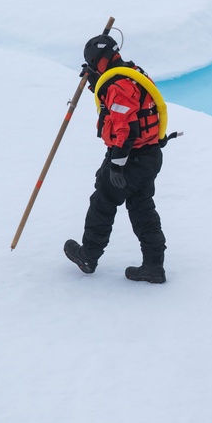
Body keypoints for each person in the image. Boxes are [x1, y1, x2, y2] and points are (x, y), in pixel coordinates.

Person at [63, 34, 167, 284]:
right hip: (150, 154)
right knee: (142, 207)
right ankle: (154, 265)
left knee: (103, 202)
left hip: (130, 157)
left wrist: (117, 165)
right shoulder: (133, 73)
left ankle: (88, 256)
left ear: (98, 59)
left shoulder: (117, 86)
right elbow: (121, 102)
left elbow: (126, 128)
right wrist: (94, 82)